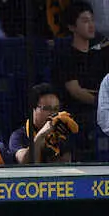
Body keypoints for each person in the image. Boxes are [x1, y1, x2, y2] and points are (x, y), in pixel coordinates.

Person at [52, 2, 106, 153]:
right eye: (85, 21)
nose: (91, 25)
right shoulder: (65, 56)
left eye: (92, 20)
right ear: (72, 27)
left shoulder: (100, 54)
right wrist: (102, 102)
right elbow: (75, 91)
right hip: (79, 113)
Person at [9, 84, 77, 165]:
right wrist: (41, 135)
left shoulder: (63, 132)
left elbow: (66, 165)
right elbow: (24, 162)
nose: (52, 114)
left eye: (56, 109)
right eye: (47, 109)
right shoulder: (19, 135)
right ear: (32, 109)